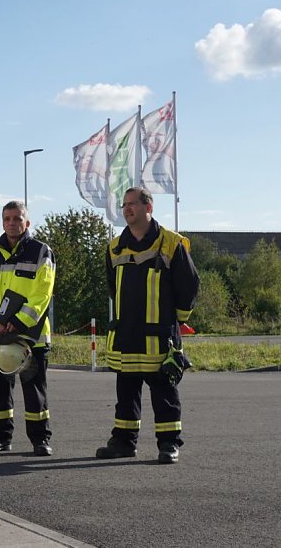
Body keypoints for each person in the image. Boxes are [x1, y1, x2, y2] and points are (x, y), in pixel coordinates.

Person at [96, 187, 199, 464]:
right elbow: (112, 288)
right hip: (126, 334)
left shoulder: (170, 243)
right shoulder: (114, 246)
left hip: (159, 335)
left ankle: (168, 444)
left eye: (132, 204)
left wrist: (178, 321)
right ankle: (123, 442)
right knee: (125, 393)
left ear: (148, 207)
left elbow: (188, 284)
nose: (127, 209)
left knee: (165, 392)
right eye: (124, 204)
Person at [0, 200, 56, 456]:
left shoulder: (41, 252)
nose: (12, 223)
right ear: (2, 222)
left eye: (17, 218)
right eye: (7, 218)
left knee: (35, 392)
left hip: (30, 337)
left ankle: (40, 439)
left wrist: (19, 321)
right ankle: (0, 438)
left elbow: (42, 293)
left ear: (27, 222)